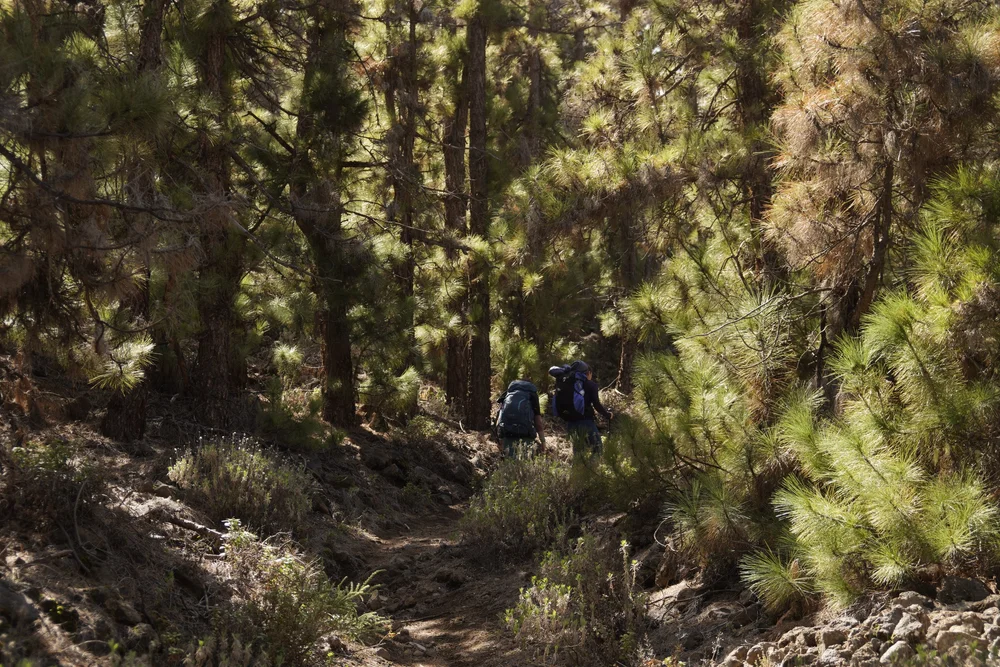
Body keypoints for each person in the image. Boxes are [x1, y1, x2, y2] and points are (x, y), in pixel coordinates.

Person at [550, 360, 612, 458]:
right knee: (597, 448)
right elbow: (596, 404)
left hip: (570, 422)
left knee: (578, 451)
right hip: (585, 421)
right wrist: (607, 415)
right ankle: (593, 470)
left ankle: (577, 471)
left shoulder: (567, 382)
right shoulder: (590, 385)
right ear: (588, 373)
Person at [495, 379, 546, 459]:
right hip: (526, 437)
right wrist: (542, 441)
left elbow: (500, 417)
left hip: (508, 435)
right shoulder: (532, 395)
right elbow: (538, 422)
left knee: (509, 464)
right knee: (525, 464)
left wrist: (499, 437)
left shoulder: (507, 394)